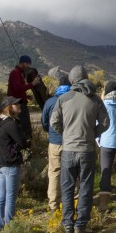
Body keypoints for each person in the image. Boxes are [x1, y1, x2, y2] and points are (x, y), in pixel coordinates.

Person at [51, 65, 110, 233]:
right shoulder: (95, 100)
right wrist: (92, 134)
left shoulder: (63, 98)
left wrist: (66, 134)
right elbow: (106, 123)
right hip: (87, 150)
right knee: (86, 187)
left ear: (71, 79)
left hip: (68, 150)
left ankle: (68, 225)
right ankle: (81, 225)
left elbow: (54, 122)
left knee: (67, 187)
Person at [0, 96, 31, 232]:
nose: (18, 105)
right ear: (9, 107)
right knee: (10, 197)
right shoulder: (10, 124)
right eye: (15, 104)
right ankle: (10, 226)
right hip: (10, 164)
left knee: (1, 195)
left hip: (0, 164)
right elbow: (22, 142)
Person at [41, 73, 72, 211]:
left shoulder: (50, 102)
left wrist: (52, 133)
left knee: (54, 172)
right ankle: (73, 200)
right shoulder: (73, 100)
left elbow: (44, 123)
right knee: (73, 172)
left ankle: (53, 203)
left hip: (54, 142)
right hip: (71, 141)